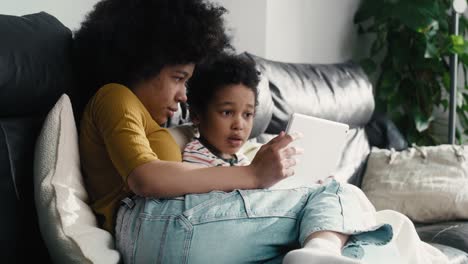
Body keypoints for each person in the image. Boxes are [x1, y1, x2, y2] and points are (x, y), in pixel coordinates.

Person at [74, 0, 447, 263]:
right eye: (178, 78)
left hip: (173, 230)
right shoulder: (115, 97)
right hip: (150, 225)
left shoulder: (162, 126)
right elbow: (144, 179)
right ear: (142, 61)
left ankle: (321, 252)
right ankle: (320, 251)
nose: (183, 95)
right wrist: (253, 174)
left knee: (369, 243)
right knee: (336, 193)